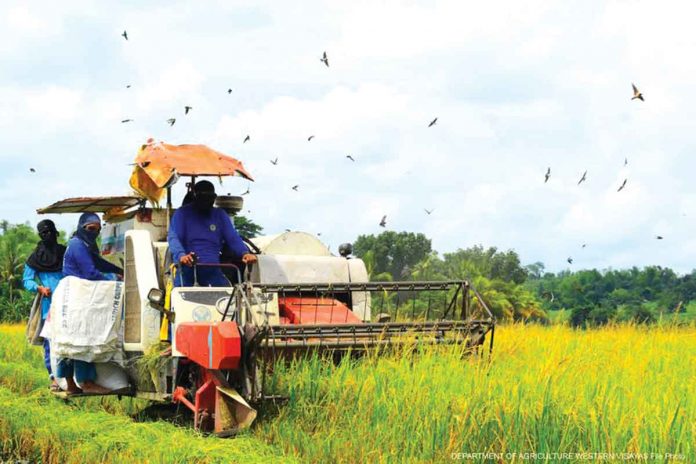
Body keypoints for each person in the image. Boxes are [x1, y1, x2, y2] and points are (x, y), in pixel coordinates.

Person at [58, 212, 123, 394]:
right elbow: (90, 272)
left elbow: (98, 263)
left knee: (69, 341)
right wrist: (113, 281)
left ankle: (71, 384)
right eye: (90, 229)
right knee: (82, 340)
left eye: (97, 229)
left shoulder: (84, 244)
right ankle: (85, 382)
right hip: (78, 298)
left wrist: (118, 269)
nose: (94, 232)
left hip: (74, 298)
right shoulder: (77, 245)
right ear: (81, 227)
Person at [168, 180, 257, 287]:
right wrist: (181, 256)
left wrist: (244, 253)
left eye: (210, 197)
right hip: (187, 271)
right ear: (195, 196)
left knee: (227, 299)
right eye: (203, 197)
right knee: (181, 300)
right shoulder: (182, 214)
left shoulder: (219, 215)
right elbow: (174, 238)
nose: (206, 201)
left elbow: (232, 237)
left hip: (213, 270)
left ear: (214, 197)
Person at [22, 219, 65, 392]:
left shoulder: (64, 251)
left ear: (55, 232)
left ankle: (70, 378)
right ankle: (54, 378)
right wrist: (39, 287)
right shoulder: (35, 257)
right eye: (43, 233)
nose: (47, 235)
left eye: (50, 232)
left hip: (68, 303)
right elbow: (27, 279)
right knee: (50, 343)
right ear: (40, 235)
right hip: (48, 306)